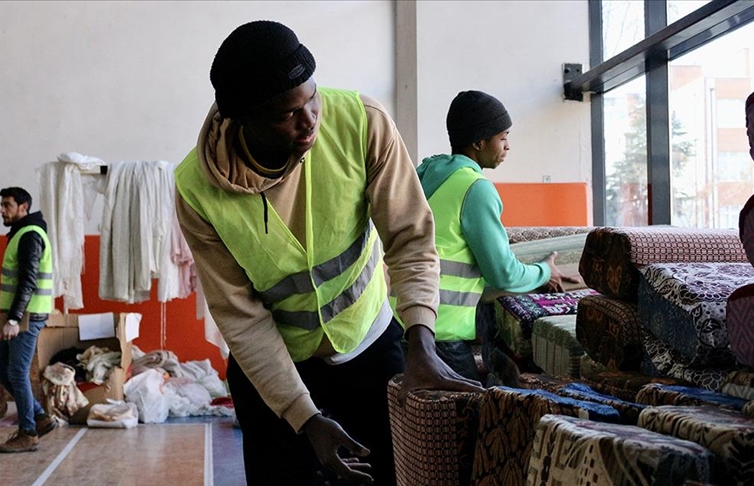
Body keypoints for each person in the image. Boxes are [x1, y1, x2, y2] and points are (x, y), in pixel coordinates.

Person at [175, 20, 482, 486]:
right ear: (244, 121)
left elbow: (410, 237)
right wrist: (304, 417)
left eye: (311, 98)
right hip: (277, 368)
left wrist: (420, 338)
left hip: (372, 343)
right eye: (287, 114)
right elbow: (240, 317)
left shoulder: (362, 121)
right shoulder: (197, 190)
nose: (309, 120)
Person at [413, 90, 581, 382]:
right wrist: (544, 272)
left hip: (404, 322)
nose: (508, 146)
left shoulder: (426, 173)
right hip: (442, 331)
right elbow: (503, 274)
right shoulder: (475, 188)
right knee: (467, 420)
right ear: (479, 142)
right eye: (502, 137)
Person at [0, 187, 57, 453]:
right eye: (2, 205)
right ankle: (40, 417)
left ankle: (28, 432)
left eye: (7, 205)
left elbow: (28, 281)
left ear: (23, 207)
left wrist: (15, 318)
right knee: (0, 371)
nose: (2, 210)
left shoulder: (30, 235)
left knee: (17, 372)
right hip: (20, 316)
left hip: (27, 316)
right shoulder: (22, 232)